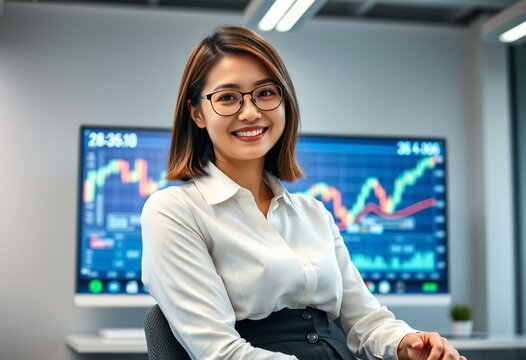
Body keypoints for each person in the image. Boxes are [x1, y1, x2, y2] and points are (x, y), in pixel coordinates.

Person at [141, 25, 466, 360]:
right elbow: (218, 352)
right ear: (197, 112)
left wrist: (406, 343)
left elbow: (364, 320)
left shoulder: (313, 213)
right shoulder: (174, 210)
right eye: (227, 98)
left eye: (265, 93)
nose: (251, 112)